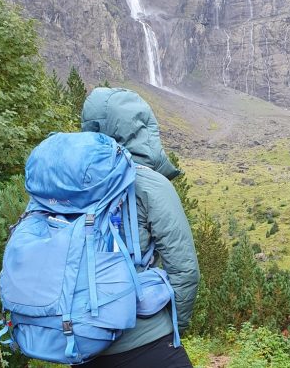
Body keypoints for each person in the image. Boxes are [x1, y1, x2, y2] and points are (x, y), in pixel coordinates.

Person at [77, 87, 200, 368]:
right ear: (140, 127)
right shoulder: (151, 184)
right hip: (147, 341)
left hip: (84, 343)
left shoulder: (68, 185)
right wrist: (173, 327)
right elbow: (184, 270)